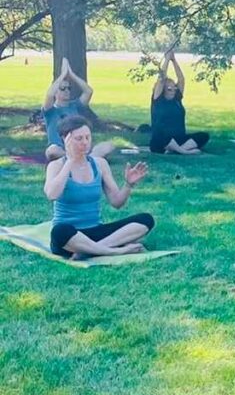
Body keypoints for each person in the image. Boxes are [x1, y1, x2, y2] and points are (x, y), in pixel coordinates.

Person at [44, 116, 154, 258]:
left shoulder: (100, 164)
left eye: (87, 137)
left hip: (96, 232)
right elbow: (52, 194)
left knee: (146, 220)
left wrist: (128, 185)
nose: (85, 143)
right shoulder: (57, 165)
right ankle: (113, 250)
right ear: (65, 140)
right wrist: (70, 161)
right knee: (59, 232)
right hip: (70, 236)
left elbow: (117, 203)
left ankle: (91, 250)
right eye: (79, 139)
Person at [42, 57, 113, 161]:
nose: (67, 91)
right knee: (51, 151)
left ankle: (82, 157)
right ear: (56, 92)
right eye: (62, 89)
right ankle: (81, 158)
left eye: (69, 88)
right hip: (61, 148)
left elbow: (88, 91)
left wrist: (71, 74)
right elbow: (49, 94)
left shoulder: (75, 105)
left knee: (109, 145)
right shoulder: (50, 111)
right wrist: (62, 75)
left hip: (79, 146)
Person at [150, 50, 209, 155]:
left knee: (203, 136)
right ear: (163, 90)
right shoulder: (158, 100)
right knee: (160, 134)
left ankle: (177, 150)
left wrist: (174, 60)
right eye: (169, 89)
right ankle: (183, 151)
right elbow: (161, 79)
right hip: (161, 140)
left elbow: (181, 79)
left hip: (178, 139)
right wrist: (167, 59)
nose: (173, 91)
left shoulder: (176, 99)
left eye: (174, 88)